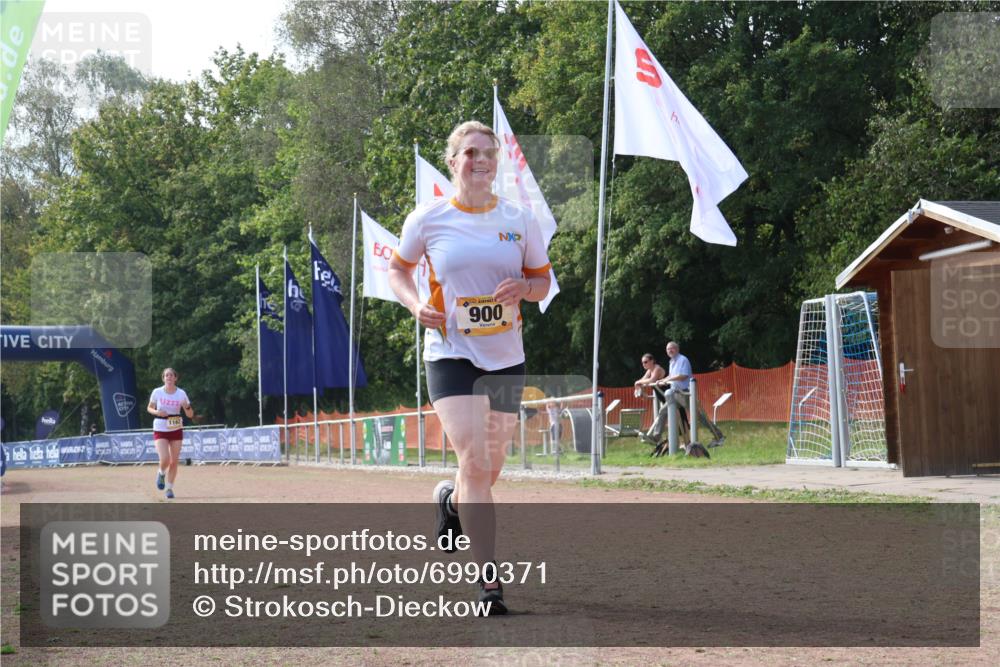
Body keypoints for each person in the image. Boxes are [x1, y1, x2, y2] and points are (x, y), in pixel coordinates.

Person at [388, 120, 551, 616]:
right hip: (450, 354)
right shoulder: (427, 219)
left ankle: (449, 501)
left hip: (505, 358)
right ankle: (489, 584)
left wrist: (523, 289)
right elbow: (397, 269)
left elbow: (543, 283)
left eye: (489, 154)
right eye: (471, 153)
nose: (481, 161)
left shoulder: (520, 219)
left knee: (488, 470)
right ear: (453, 160)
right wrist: (416, 305)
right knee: (476, 463)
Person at [147, 368, 194, 499]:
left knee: (174, 461)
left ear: (175, 378)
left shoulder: (181, 393)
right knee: (165, 459)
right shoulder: (157, 392)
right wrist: (157, 412)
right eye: (166, 375)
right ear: (163, 378)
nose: (168, 377)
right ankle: (161, 473)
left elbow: (190, 414)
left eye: (171, 375)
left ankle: (169, 488)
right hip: (160, 427)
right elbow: (149, 408)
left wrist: (187, 407)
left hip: (176, 427)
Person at [641, 341, 692, 445]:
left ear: (652, 361)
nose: (644, 364)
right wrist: (663, 380)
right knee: (664, 413)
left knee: (688, 417)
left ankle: (715, 435)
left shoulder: (658, 368)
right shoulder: (671, 362)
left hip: (680, 393)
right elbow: (644, 380)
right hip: (672, 394)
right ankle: (657, 437)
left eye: (646, 362)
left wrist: (638, 383)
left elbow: (683, 375)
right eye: (668, 349)